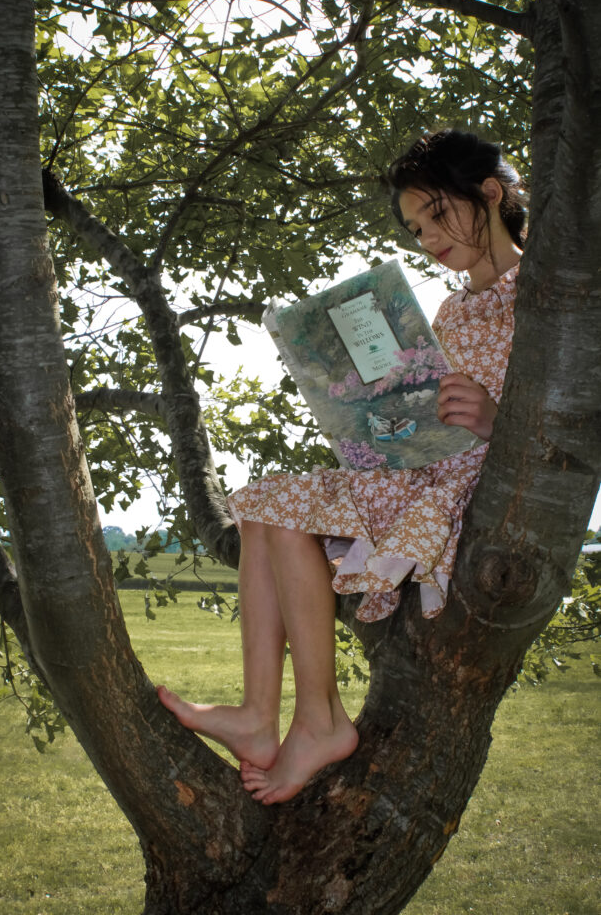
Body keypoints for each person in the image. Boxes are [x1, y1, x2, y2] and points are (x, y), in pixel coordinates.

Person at [157, 129, 526, 805]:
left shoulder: (543, 295)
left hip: (462, 492)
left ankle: (319, 720)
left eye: (436, 214)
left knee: (273, 504)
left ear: (490, 194)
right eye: (415, 229)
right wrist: (357, 406)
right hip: (414, 469)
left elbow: (561, 426)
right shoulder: (448, 307)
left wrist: (496, 417)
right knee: (261, 503)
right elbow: (416, 408)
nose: (426, 239)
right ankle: (259, 716)